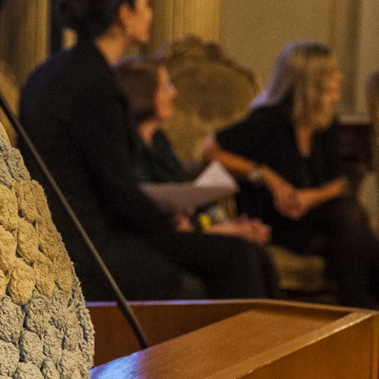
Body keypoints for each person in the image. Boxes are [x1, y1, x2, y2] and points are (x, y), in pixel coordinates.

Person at [18, 0, 273, 302]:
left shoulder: (49, 72)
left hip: (66, 235)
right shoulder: (95, 85)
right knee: (238, 257)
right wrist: (171, 230)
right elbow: (118, 191)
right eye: (146, 5)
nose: (150, 14)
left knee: (244, 254)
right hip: (88, 250)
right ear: (125, 15)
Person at [202, 41, 379, 352]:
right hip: (276, 219)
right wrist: (267, 176)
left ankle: (354, 328)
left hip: (314, 216)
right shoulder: (270, 119)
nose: (339, 78)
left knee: (350, 226)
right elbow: (209, 150)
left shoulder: (325, 122)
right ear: (310, 82)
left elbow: (337, 183)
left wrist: (308, 198)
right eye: (331, 74)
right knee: (357, 231)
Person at [115, 56, 280, 298]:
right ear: (145, 95)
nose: (174, 92)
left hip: (182, 228)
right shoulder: (123, 144)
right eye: (167, 86)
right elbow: (148, 208)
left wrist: (228, 225)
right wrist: (227, 231)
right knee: (240, 255)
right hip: (150, 237)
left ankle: (280, 334)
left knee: (258, 253)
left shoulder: (159, 141)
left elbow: (183, 202)